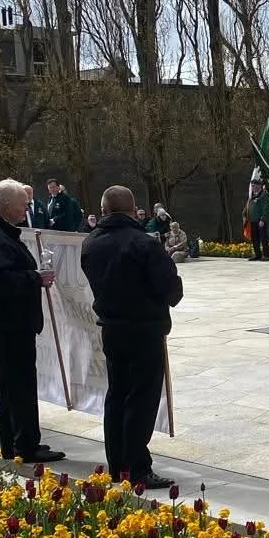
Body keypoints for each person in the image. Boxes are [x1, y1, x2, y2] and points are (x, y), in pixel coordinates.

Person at [81, 185, 183, 490]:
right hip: (144, 328)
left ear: (103, 211)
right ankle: (137, 467)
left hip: (111, 328)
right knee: (141, 398)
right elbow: (171, 290)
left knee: (117, 395)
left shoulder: (91, 242)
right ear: (132, 209)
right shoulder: (143, 243)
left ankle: (118, 464)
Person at [0, 179, 62, 463]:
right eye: (23, 204)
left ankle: (17, 442)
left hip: (8, 322)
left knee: (13, 386)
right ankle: (23, 445)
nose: (27, 209)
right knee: (17, 385)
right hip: (9, 324)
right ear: (7, 205)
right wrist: (35, 278)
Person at [243, 180, 269, 261]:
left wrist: (262, 219)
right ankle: (257, 255)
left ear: (259, 186)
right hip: (252, 221)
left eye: (254, 186)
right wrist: (244, 214)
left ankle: (266, 255)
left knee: (263, 238)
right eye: (252, 186)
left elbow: (266, 208)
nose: (252, 187)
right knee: (255, 239)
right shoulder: (251, 196)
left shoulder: (263, 195)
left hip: (260, 221)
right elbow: (247, 207)